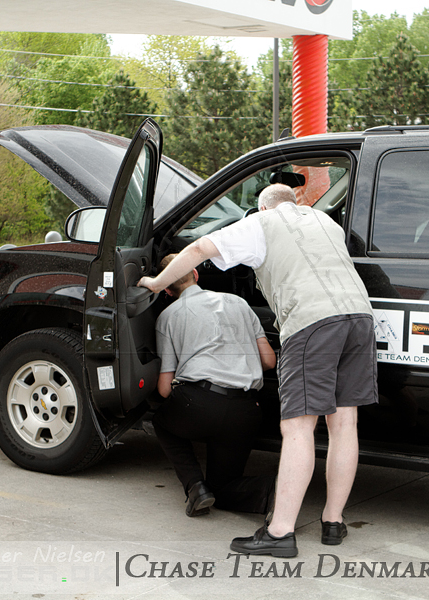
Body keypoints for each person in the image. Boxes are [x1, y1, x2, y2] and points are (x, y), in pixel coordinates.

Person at [139, 183, 377, 557]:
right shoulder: (324, 220)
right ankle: (333, 521)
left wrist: (156, 282)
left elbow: (200, 248)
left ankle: (280, 532)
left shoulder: (262, 224)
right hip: (360, 318)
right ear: (295, 202)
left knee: (299, 426)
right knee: (345, 423)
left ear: (263, 209)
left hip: (312, 321)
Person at [151, 253, 277, 517]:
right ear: (196, 274)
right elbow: (269, 360)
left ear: (166, 289)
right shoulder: (238, 303)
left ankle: (196, 487)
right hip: (245, 410)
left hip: (199, 403)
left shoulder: (168, 316)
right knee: (225, 487)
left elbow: (164, 389)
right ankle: (272, 489)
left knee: (163, 423)